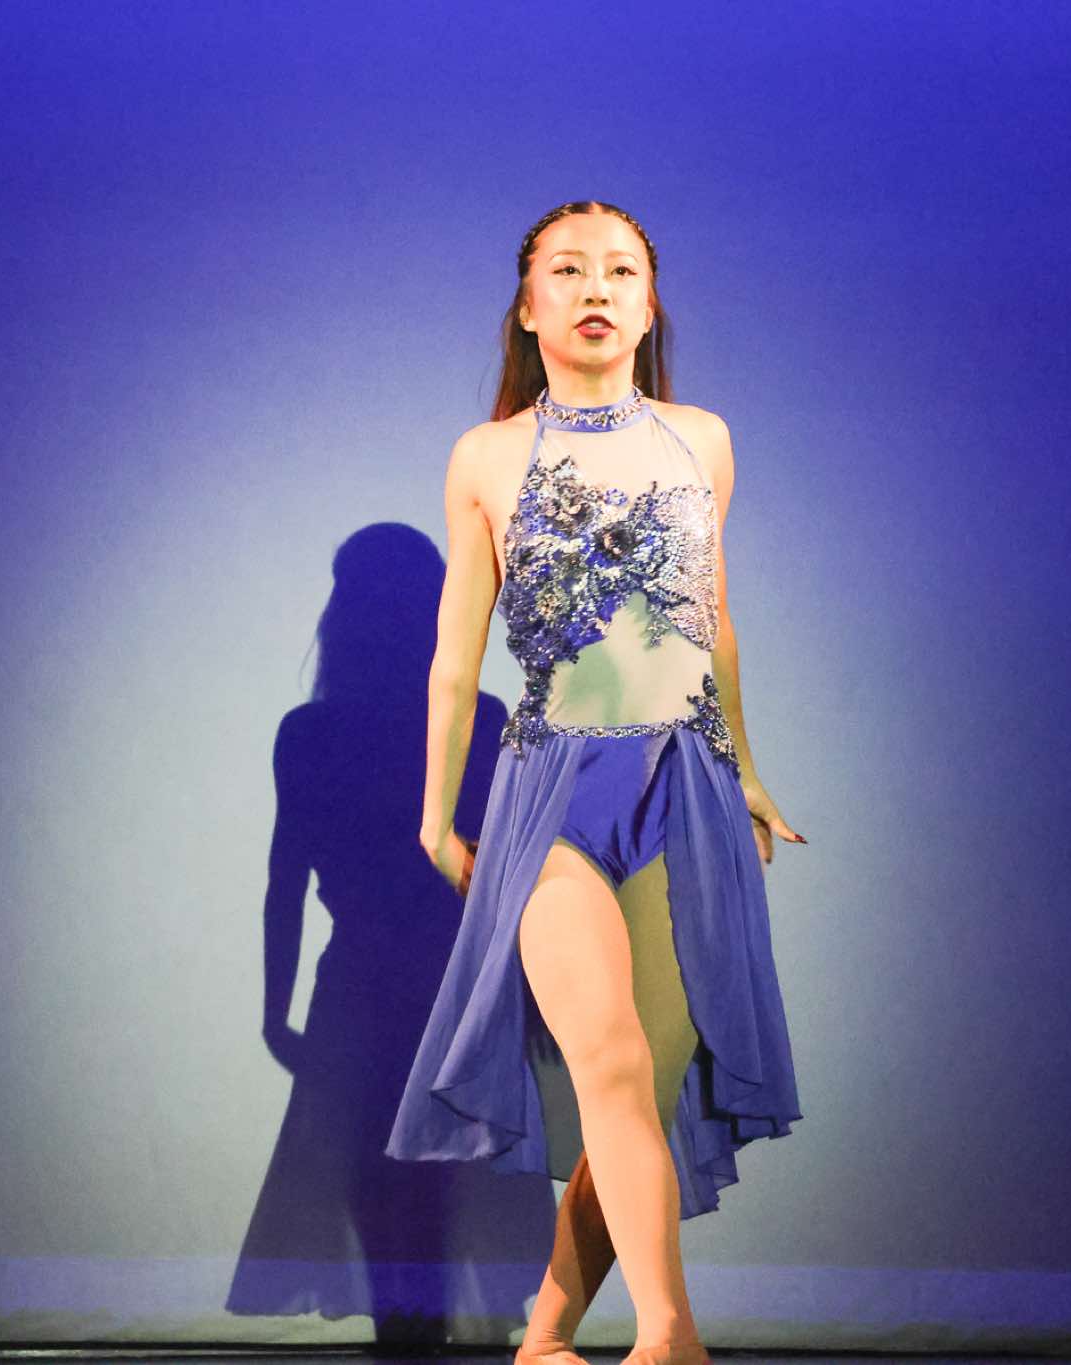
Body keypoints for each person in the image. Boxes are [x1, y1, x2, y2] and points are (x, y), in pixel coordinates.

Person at [384, 200, 807, 1365]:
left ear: (648, 304)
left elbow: (715, 627)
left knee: (643, 1096)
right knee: (607, 1063)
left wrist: (749, 774)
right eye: (566, 271)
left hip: (685, 786)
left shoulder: (701, 441)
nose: (594, 290)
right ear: (527, 309)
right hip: (553, 792)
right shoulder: (486, 457)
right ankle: (669, 1334)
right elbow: (454, 657)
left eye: (620, 271)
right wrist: (435, 817)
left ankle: (545, 1336)